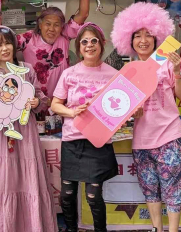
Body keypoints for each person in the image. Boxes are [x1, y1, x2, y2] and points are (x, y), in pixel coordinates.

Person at [110, 2, 181, 232]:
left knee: (173, 188)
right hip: (141, 140)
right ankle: (157, 229)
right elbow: (122, 109)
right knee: (150, 188)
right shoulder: (128, 72)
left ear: (157, 38)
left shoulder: (167, 64)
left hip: (170, 135)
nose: (143, 40)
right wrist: (131, 113)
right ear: (129, 40)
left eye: (148, 35)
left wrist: (177, 72)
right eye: (137, 35)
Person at [0, 26, 57, 232]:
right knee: (7, 178)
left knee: (30, 175)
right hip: (4, 134)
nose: (4, 49)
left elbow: (41, 99)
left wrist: (36, 102)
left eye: (7, 43)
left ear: (14, 45)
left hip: (26, 131)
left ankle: (34, 226)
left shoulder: (28, 69)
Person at [51, 22, 118, 232]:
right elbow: (55, 104)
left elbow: (121, 107)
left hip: (98, 142)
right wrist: (72, 112)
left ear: (102, 44)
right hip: (72, 140)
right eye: (84, 41)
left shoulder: (113, 74)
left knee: (93, 195)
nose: (89, 45)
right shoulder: (69, 73)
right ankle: (71, 229)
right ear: (79, 47)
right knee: (67, 194)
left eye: (94, 41)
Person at [0, 0, 89, 99]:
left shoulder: (64, 35)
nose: (51, 29)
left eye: (56, 25)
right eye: (48, 24)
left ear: (62, 27)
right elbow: (4, 43)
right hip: (34, 99)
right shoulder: (28, 38)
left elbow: (83, 14)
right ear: (40, 24)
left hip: (60, 100)